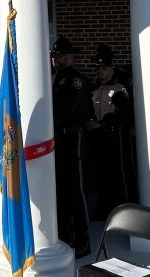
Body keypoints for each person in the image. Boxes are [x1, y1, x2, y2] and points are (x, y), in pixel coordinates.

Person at [50, 35, 92, 259]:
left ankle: (83, 238)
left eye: (62, 55)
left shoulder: (75, 79)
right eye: (55, 55)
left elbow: (65, 110)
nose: (57, 59)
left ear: (71, 57)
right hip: (56, 139)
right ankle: (65, 233)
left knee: (76, 189)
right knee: (60, 188)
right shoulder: (52, 76)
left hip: (71, 138)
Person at [85, 44, 136, 220]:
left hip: (115, 138)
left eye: (105, 68)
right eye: (99, 68)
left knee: (119, 173)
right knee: (100, 174)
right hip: (96, 139)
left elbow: (125, 113)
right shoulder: (94, 89)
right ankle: (104, 209)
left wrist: (103, 123)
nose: (101, 71)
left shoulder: (119, 89)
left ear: (112, 69)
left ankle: (125, 209)